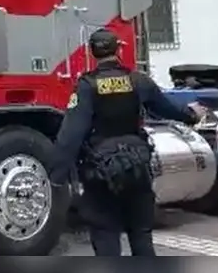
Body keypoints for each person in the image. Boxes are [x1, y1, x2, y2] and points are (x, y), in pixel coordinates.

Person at [51, 28, 207, 256]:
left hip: (102, 175)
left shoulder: (86, 86)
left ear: (92, 53)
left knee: (105, 234)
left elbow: (70, 136)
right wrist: (192, 114)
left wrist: (56, 178)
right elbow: (168, 109)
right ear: (119, 50)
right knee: (141, 234)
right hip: (136, 170)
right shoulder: (138, 81)